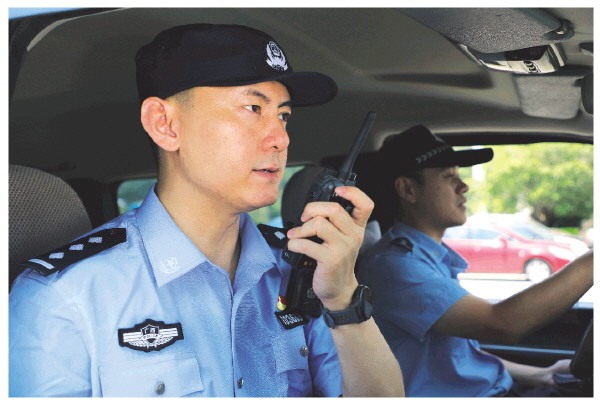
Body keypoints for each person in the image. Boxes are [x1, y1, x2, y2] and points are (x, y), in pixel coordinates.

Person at [9, 23, 403, 397]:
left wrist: (344, 299)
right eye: (253, 108)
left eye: (283, 115)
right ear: (165, 124)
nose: (281, 138)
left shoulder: (301, 273)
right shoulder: (64, 298)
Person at [355, 124, 593, 397]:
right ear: (408, 189)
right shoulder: (396, 266)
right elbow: (502, 324)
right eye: (448, 176)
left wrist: (542, 375)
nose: (463, 186)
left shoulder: (425, 256)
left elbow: (458, 354)